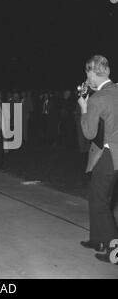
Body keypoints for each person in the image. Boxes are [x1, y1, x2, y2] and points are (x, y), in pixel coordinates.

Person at [78, 55, 118, 264]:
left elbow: (89, 132)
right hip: (115, 155)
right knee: (97, 196)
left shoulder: (96, 99)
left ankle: (115, 250)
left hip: (109, 156)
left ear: (93, 73)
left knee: (100, 201)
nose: (87, 77)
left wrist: (84, 107)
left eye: (87, 73)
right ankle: (97, 240)